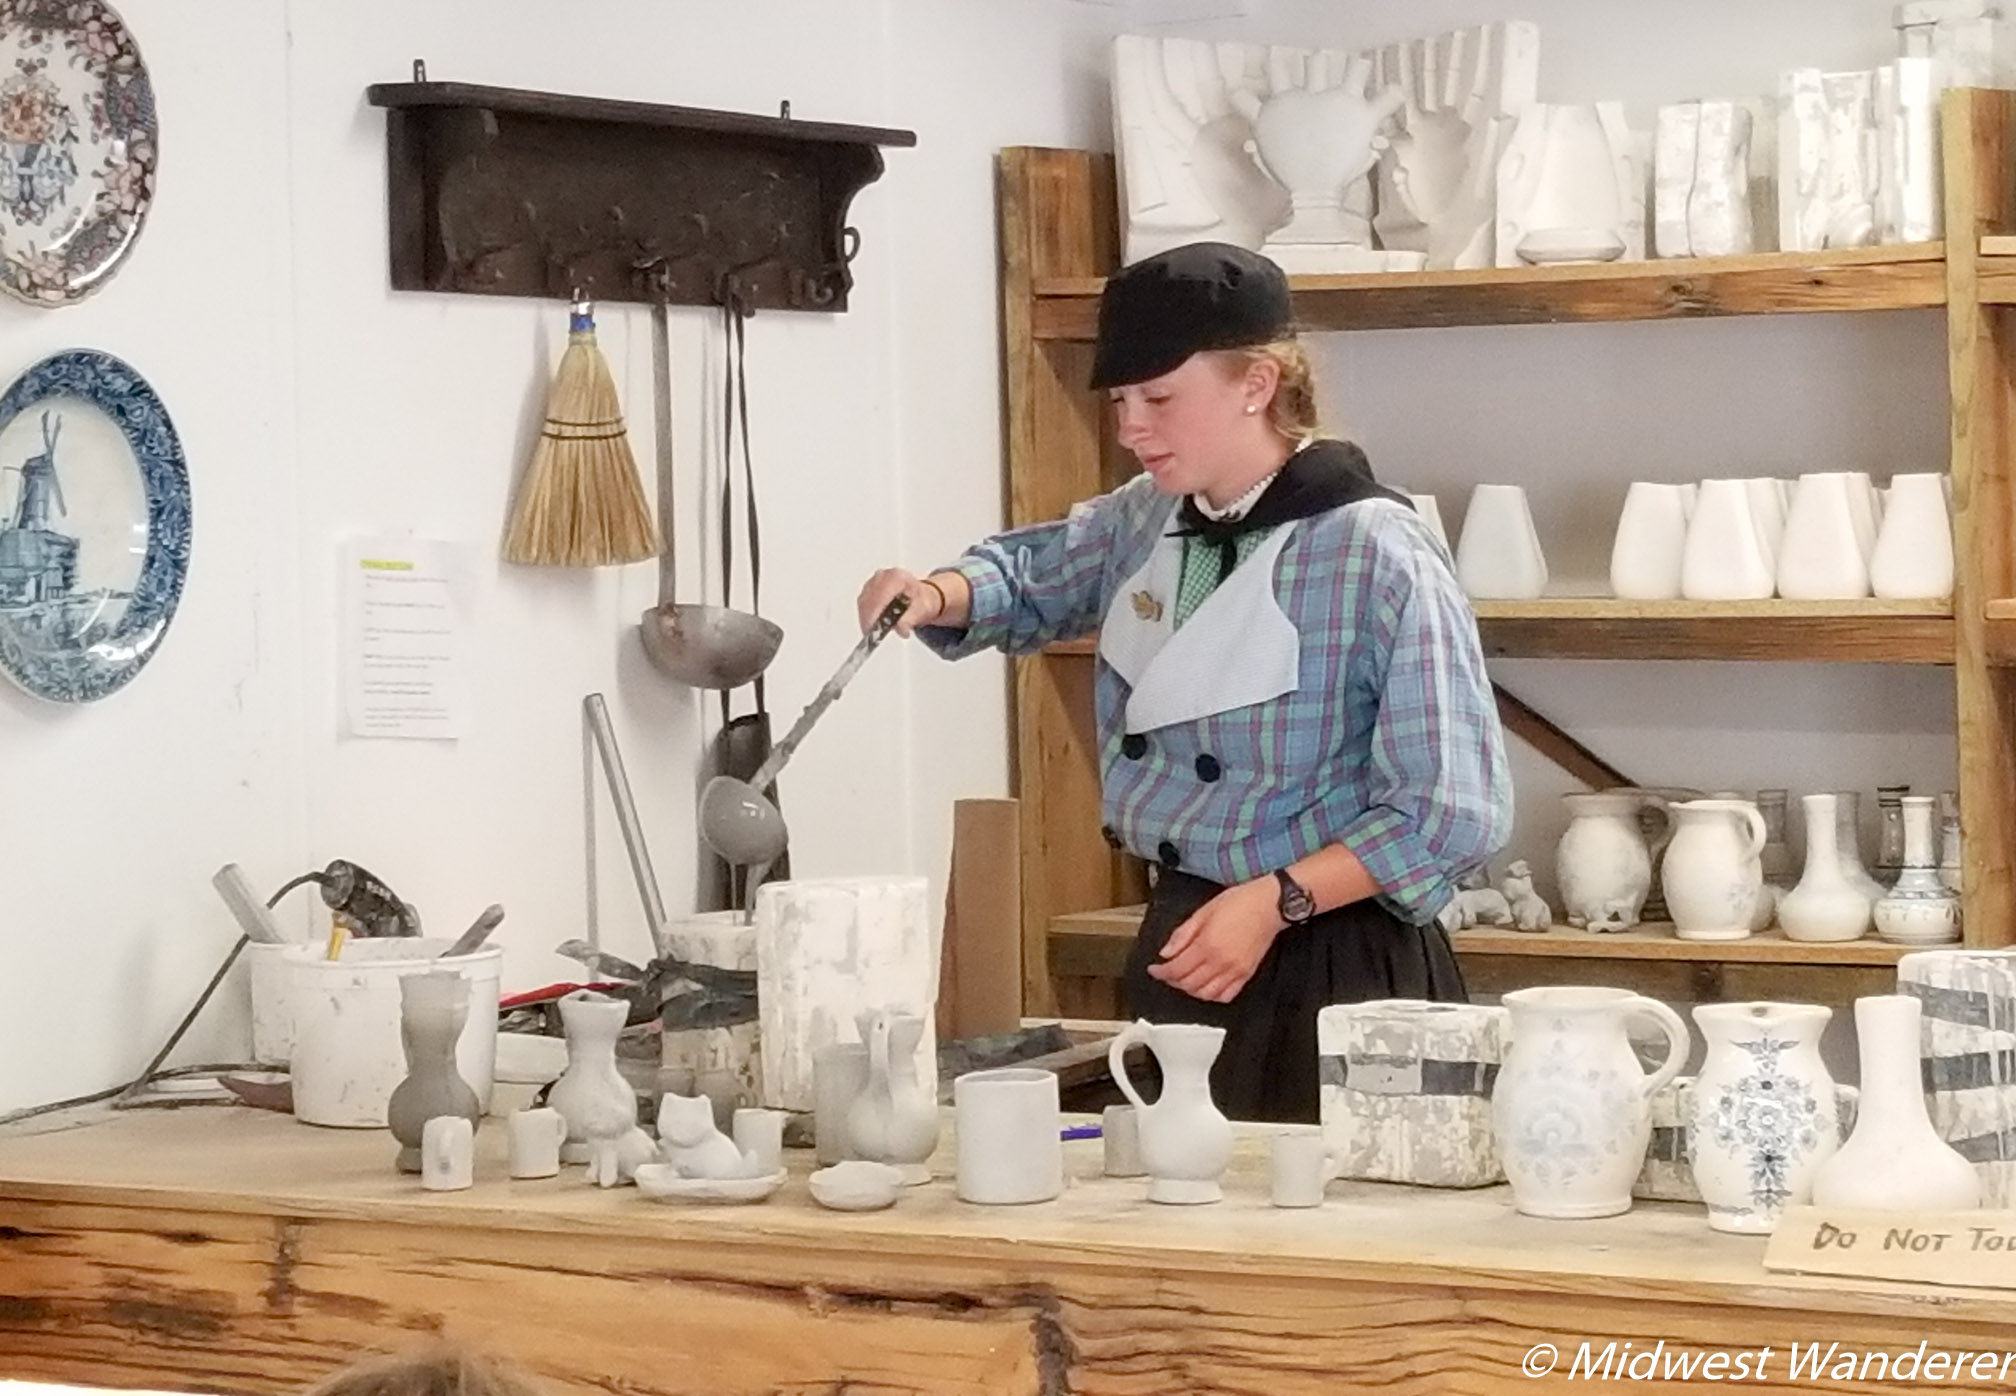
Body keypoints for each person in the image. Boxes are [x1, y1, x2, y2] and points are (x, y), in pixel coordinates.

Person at [857, 242, 1512, 1123]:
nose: (1131, 428)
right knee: (1176, 1203)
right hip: (1190, 940)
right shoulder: (1148, 515)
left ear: (1257, 384)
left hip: (1339, 963)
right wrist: (936, 593)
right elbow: (1035, 573)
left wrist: (1277, 901)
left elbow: (1450, 810)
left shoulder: (1374, 549)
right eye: (1120, 401)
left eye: (1159, 399)